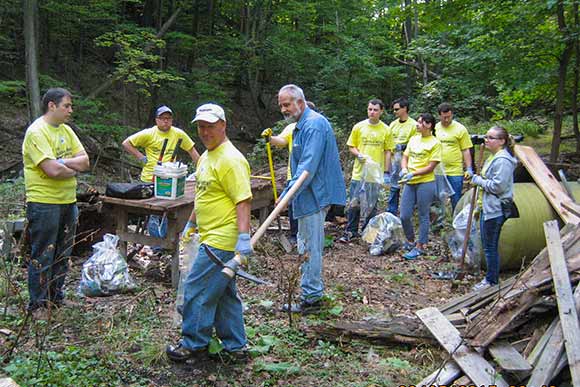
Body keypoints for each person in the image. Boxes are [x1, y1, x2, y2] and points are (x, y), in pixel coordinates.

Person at [166, 103, 253, 362]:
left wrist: (243, 237)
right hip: (208, 234)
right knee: (223, 293)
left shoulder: (231, 159)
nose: (205, 132)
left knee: (197, 289)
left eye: (210, 126)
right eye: (201, 127)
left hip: (222, 240)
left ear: (223, 125)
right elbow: (204, 196)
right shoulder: (205, 157)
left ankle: (193, 345)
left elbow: (243, 200)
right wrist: (192, 223)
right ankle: (236, 347)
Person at [277, 84, 346, 314]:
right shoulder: (301, 125)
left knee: (309, 246)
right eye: (281, 105)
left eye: (286, 104)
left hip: (315, 195)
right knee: (306, 243)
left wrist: (287, 195)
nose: (283, 109)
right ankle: (310, 293)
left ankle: (312, 299)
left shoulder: (314, 125)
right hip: (307, 194)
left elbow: (308, 166)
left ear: (300, 102)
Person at [22, 87, 90, 314]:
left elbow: (85, 162)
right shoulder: (36, 132)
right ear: (52, 105)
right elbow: (51, 170)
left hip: (68, 202)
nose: (70, 110)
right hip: (43, 203)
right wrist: (69, 165)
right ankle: (38, 304)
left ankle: (55, 298)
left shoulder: (67, 131)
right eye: (66, 106)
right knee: (43, 253)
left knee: (63, 252)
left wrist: (63, 163)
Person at [122, 105, 200, 240]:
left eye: (168, 119)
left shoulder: (178, 134)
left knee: (168, 210)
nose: (166, 121)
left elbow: (192, 151)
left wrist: (202, 168)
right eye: (162, 118)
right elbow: (127, 143)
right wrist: (141, 157)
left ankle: (164, 240)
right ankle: (157, 243)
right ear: (156, 120)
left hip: (170, 179)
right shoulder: (148, 134)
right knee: (153, 212)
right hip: (150, 178)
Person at [260, 100, 317, 243]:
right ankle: (294, 234)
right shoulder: (292, 127)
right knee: (293, 205)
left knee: (311, 205)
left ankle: (311, 235)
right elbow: (281, 141)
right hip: (294, 175)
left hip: (312, 176)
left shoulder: (316, 128)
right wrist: (270, 138)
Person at [339, 98, 393, 243]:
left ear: (381, 111)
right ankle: (350, 231)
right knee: (354, 204)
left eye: (375, 110)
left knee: (372, 205)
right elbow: (351, 146)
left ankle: (369, 234)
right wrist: (359, 154)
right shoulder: (359, 127)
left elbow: (388, 151)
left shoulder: (386, 129)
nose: (372, 112)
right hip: (359, 172)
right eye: (370, 109)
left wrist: (386, 172)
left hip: (375, 174)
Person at [470, 126, 517, 291]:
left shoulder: (503, 160)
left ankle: (491, 281)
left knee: (490, 246)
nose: (486, 140)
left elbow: (498, 186)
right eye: (486, 137)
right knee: (488, 244)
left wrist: (478, 181)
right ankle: (491, 277)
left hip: (495, 209)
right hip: (487, 206)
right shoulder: (494, 157)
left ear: (502, 141)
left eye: (491, 138)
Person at [399, 113, 442, 260]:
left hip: (426, 182)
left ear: (428, 125)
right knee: (404, 214)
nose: (417, 125)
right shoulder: (413, 139)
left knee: (423, 214)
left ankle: (420, 245)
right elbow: (405, 156)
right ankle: (410, 240)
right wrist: (404, 169)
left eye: (420, 122)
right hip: (410, 182)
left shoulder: (435, 143)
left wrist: (414, 173)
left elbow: (431, 167)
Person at [435, 103, 473, 210]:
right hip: (438, 169)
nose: (447, 119)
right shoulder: (434, 128)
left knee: (456, 198)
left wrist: (469, 168)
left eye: (449, 117)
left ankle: (456, 220)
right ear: (439, 116)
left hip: (455, 169)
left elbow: (465, 149)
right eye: (444, 117)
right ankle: (438, 223)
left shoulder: (460, 129)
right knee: (437, 198)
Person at [386, 97, 417, 215]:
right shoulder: (393, 125)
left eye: (397, 109)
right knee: (394, 185)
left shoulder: (414, 125)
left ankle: (409, 208)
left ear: (405, 109)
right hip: (394, 160)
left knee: (408, 185)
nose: (394, 112)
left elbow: (416, 142)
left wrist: (402, 147)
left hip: (408, 159)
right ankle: (392, 210)